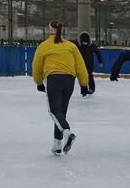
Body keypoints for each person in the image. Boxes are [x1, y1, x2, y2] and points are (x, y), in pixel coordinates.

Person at [32, 21, 92, 155]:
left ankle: (67, 132)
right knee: (61, 112)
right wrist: (84, 84)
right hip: (69, 80)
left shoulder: (44, 46)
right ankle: (57, 143)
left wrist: (39, 82)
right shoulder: (71, 46)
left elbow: (36, 66)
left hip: (54, 79)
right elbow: (81, 66)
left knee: (54, 111)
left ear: (49, 30)